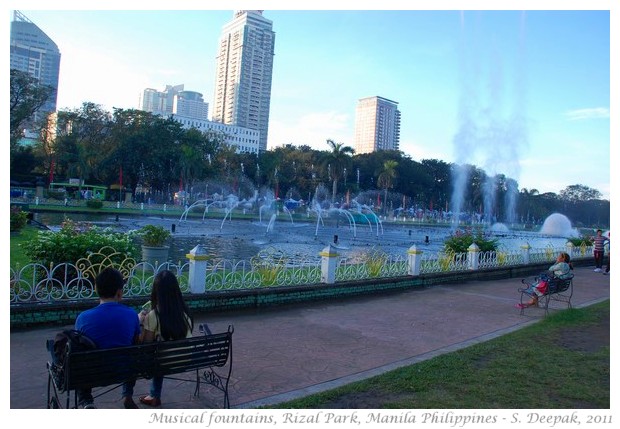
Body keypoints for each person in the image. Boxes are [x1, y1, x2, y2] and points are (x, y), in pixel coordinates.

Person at [74, 267, 141, 409]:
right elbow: (136, 342)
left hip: (93, 372)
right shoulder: (131, 314)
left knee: (79, 357)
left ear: (96, 289)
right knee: (132, 355)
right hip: (124, 370)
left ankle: (86, 401)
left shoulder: (83, 318)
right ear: (120, 292)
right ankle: (127, 395)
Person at [138, 270, 194, 407]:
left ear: (156, 292)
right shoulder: (186, 314)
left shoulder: (154, 315)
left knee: (155, 355)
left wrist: (141, 322)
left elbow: (147, 345)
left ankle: (153, 396)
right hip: (185, 360)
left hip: (163, 362)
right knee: (164, 352)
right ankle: (154, 395)